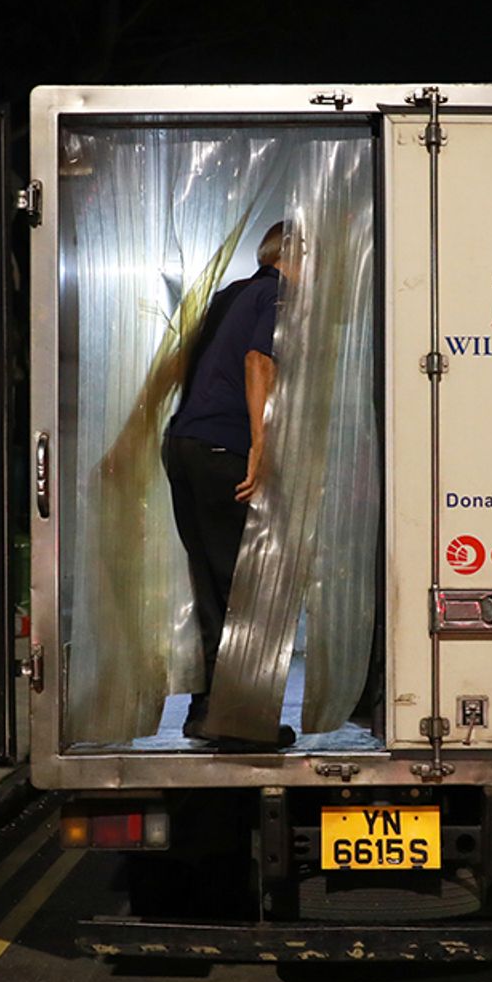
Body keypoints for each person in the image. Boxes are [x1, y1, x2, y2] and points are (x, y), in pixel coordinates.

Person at [162, 221, 299, 751]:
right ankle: (242, 722)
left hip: (186, 446)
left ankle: (207, 713)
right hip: (226, 450)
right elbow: (258, 361)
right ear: (295, 255)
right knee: (247, 587)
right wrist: (260, 450)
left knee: (215, 586)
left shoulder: (233, 293)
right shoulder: (277, 295)